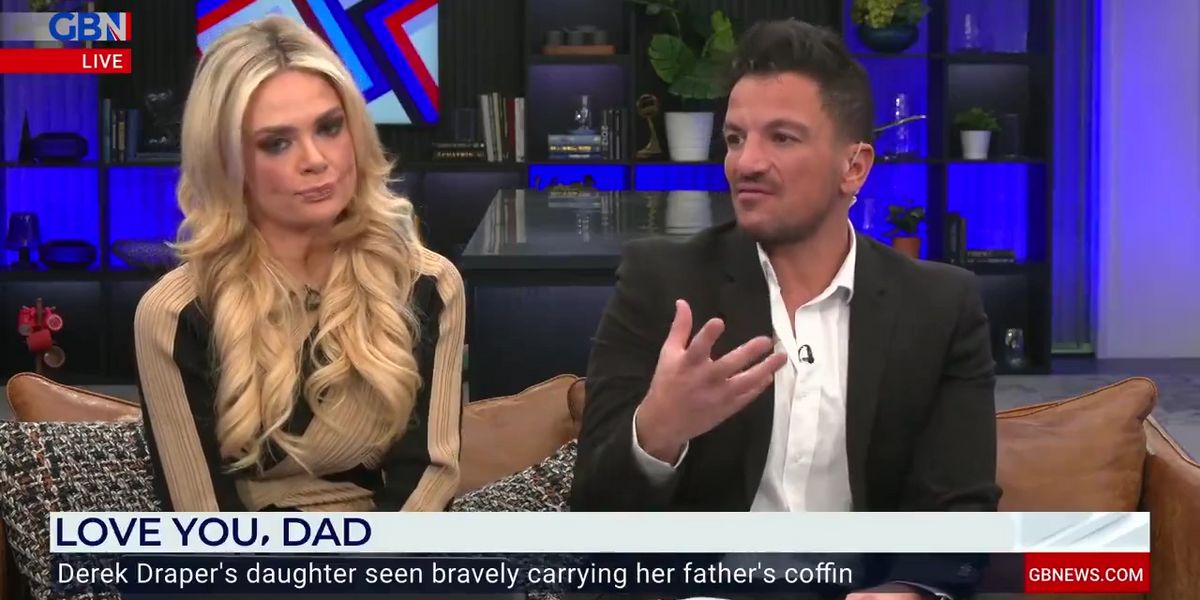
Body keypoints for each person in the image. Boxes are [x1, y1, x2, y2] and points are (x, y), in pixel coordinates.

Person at [570, 19, 998, 600]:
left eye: (783, 138)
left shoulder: (940, 306)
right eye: (735, 138)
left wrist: (908, 591)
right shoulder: (662, 285)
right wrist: (656, 435)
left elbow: (958, 508)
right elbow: (593, 523)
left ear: (854, 167)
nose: (746, 162)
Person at [133, 15, 464, 513]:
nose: (315, 159)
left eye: (329, 127)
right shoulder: (175, 314)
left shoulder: (426, 283)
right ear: (227, 163)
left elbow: (427, 480)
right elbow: (200, 516)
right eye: (277, 142)